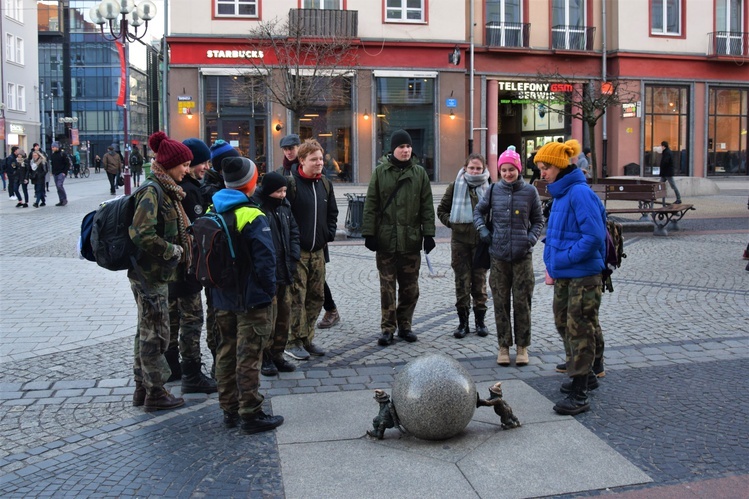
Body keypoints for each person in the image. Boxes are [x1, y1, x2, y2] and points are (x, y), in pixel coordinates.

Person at [211, 156, 283, 434]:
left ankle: (229, 410)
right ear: (252, 182)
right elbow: (267, 261)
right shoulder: (252, 214)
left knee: (226, 353)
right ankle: (251, 413)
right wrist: (269, 292)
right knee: (249, 356)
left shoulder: (213, 207)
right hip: (251, 299)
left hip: (222, 296)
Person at [535, 139, 607, 416]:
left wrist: (563, 259)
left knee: (579, 328)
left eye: (546, 167)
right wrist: (552, 263)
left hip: (583, 275)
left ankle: (580, 391)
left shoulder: (579, 193)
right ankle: (585, 374)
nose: (542, 173)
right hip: (565, 274)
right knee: (563, 323)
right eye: (541, 168)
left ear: (560, 166)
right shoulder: (562, 193)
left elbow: (593, 237)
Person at [129, 131, 194, 412]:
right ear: (170, 164)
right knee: (155, 334)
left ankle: (142, 388)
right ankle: (155, 393)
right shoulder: (152, 191)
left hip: (155, 275)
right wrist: (173, 251)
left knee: (146, 331)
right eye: (184, 165)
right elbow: (140, 233)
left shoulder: (166, 189)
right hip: (150, 275)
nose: (187, 170)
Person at [361, 129, 436, 346]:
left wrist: (429, 233)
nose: (406, 150)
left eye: (408, 146)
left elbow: (427, 205)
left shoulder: (419, 173)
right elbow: (371, 204)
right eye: (401, 146)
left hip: (410, 240)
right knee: (387, 288)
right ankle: (387, 328)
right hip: (386, 240)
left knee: (410, 288)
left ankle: (405, 325)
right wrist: (369, 233)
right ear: (392, 149)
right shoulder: (380, 172)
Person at [474, 146, 543, 366]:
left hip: (523, 256)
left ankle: (522, 347)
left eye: (511, 169)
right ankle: (503, 346)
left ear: (518, 169)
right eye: (503, 170)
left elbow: (539, 220)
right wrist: (483, 232)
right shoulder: (493, 190)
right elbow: (479, 212)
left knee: (522, 302)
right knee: (501, 303)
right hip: (499, 256)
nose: (507, 174)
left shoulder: (530, 192)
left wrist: (530, 239)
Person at [162, 138, 218, 394]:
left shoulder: (168, 186)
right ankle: (192, 373)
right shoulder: (190, 190)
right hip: (186, 266)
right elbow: (197, 230)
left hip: (170, 268)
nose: (206, 167)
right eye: (201, 162)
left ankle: (172, 365)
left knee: (172, 318)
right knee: (192, 319)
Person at [284, 139, 338, 361]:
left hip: (318, 252)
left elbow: (332, 212)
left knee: (316, 297)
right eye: (313, 159)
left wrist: (328, 234)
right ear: (302, 160)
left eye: (320, 159)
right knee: (297, 298)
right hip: (298, 253)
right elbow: (284, 217)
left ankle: (307, 338)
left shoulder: (324, 184)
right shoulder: (291, 184)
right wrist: (292, 245)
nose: (319, 163)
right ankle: (293, 341)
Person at [252, 171, 301, 376]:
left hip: (285, 271)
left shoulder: (285, 207)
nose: (283, 195)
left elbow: (294, 232)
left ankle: (278, 354)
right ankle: (265, 358)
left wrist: (294, 256)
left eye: (284, 191)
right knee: (267, 320)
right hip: (269, 274)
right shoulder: (258, 208)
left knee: (284, 317)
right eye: (279, 191)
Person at [437, 153, 490, 340]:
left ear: (483, 169)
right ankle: (463, 323)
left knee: (480, 283)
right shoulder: (455, 186)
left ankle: (480, 322)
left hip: (481, 243)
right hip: (460, 243)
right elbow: (441, 210)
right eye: (471, 168)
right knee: (462, 283)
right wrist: (452, 223)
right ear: (465, 167)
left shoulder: (489, 187)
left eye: (478, 168)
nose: (475, 171)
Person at [200, 139, 241, 377]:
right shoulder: (212, 191)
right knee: (217, 314)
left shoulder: (228, 183)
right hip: (217, 266)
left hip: (231, 264)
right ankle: (220, 362)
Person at [49, 142, 68, 206]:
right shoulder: (53, 155)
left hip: (61, 172)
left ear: (57, 147)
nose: (52, 148)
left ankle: (64, 199)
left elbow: (67, 163)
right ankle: (61, 200)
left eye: (53, 147)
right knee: (58, 187)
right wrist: (52, 172)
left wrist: (64, 172)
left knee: (59, 185)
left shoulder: (62, 154)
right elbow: (52, 164)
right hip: (55, 173)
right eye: (52, 147)